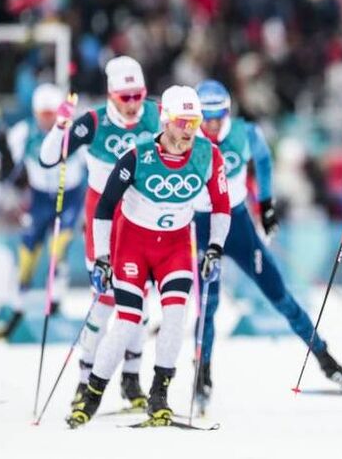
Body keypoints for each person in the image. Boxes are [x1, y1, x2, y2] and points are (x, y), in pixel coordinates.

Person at [66, 86, 231, 428]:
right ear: (166, 120)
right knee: (128, 320)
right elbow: (105, 207)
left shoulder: (208, 155)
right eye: (183, 121)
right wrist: (102, 257)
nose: (190, 130)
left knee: (174, 317)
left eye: (195, 121)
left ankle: (159, 395)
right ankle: (91, 395)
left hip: (174, 248)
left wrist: (215, 247)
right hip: (133, 246)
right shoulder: (137, 155)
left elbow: (221, 206)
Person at [192, 79, 342, 412]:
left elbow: (264, 161)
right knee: (207, 306)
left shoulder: (243, 132)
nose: (210, 124)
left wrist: (266, 206)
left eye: (216, 116)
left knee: (279, 295)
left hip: (237, 224)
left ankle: (327, 361)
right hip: (200, 224)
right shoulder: (188, 136)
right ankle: (202, 375)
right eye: (204, 117)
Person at [39, 56, 160, 410]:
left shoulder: (156, 114)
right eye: (126, 97)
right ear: (111, 95)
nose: (135, 104)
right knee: (106, 300)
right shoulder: (93, 122)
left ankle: (131, 379)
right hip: (103, 219)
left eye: (139, 95)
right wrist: (61, 126)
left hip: (141, 216)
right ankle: (84, 381)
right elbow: (49, 159)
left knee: (139, 301)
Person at [0, 84, 87, 339]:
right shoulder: (25, 132)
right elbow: (6, 169)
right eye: (42, 114)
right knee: (28, 251)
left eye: (51, 114)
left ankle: (55, 299)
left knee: (58, 248)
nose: (47, 120)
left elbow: (94, 161)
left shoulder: (73, 131)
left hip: (68, 197)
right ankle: (18, 305)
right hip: (40, 199)